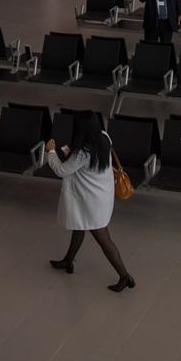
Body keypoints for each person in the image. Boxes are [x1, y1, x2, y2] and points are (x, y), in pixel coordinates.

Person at [45, 111, 135, 293]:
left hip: (92, 201)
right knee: (79, 226)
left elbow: (62, 170)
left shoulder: (83, 152)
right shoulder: (104, 137)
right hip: (99, 195)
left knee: (103, 239)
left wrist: (51, 152)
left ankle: (125, 276)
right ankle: (68, 260)